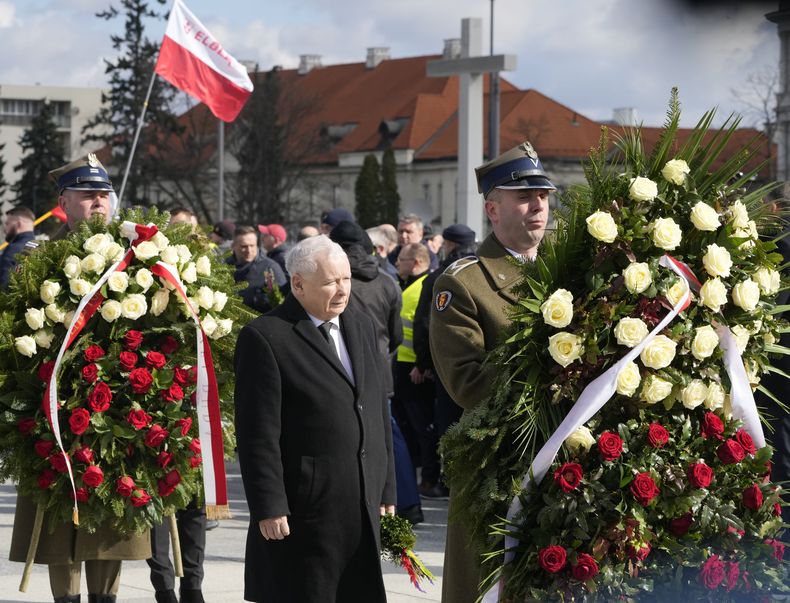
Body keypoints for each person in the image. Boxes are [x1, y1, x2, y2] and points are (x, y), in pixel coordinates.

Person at [9, 154, 151, 603]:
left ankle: (105, 597)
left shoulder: (139, 256)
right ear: (63, 203)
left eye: (103, 195)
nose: (98, 203)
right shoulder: (40, 260)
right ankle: (65, 597)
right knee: (57, 520)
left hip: (118, 404)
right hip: (57, 408)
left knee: (111, 513)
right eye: (87, 195)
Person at [234, 235, 396, 602]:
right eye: (330, 282)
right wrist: (269, 505)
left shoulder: (360, 324)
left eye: (346, 279)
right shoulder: (266, 337)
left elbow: (374, 409)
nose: (342, 291)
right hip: (305, 510)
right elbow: (258, 433)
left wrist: (386, 485)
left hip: (359, 503)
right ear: (298, 284)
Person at [430, 141, 556, 603]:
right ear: (492, 209)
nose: (537, 207)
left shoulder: (567, 269)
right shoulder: (464, 283)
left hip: (568, 461)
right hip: (502, 465)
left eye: (543, 196)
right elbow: (468, 383)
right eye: (524, 197)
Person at [329, 221, 422, 525]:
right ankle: (405, 501)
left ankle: (377, 501)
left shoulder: (336, 282)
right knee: (388, 436)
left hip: (343, 369)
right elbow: (395, 335)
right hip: (380, 370)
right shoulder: (386, 281)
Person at [413, 224, 477, 499]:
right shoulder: (480, 272)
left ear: (448, 245)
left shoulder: (441, 276)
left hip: (446, 367)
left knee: (448, 425)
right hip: (479, 367)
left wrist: (423, 362)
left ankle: (451, 482)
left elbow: (426, 323)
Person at [391, 243, 441, 499]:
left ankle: (429, 479)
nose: (398, 264)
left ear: (417, 262)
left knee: (422, 427)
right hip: (410, 364)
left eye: (402, 260)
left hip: (413, 369)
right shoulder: (413, 287)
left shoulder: (418, 288)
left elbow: (423, 328)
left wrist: (421, 365)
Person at [227, 225, 287, 314]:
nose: (249, 250)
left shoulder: (270, 268)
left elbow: (281, 300)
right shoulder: (224, 266)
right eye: (244, 246)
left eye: (252, 246)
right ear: (233, 246)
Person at [0, 205, 37, 289]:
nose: (5, 229)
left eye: (7, 224)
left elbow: (4, 287)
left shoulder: (13, 249)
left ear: (18, 223)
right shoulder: (39, 247)